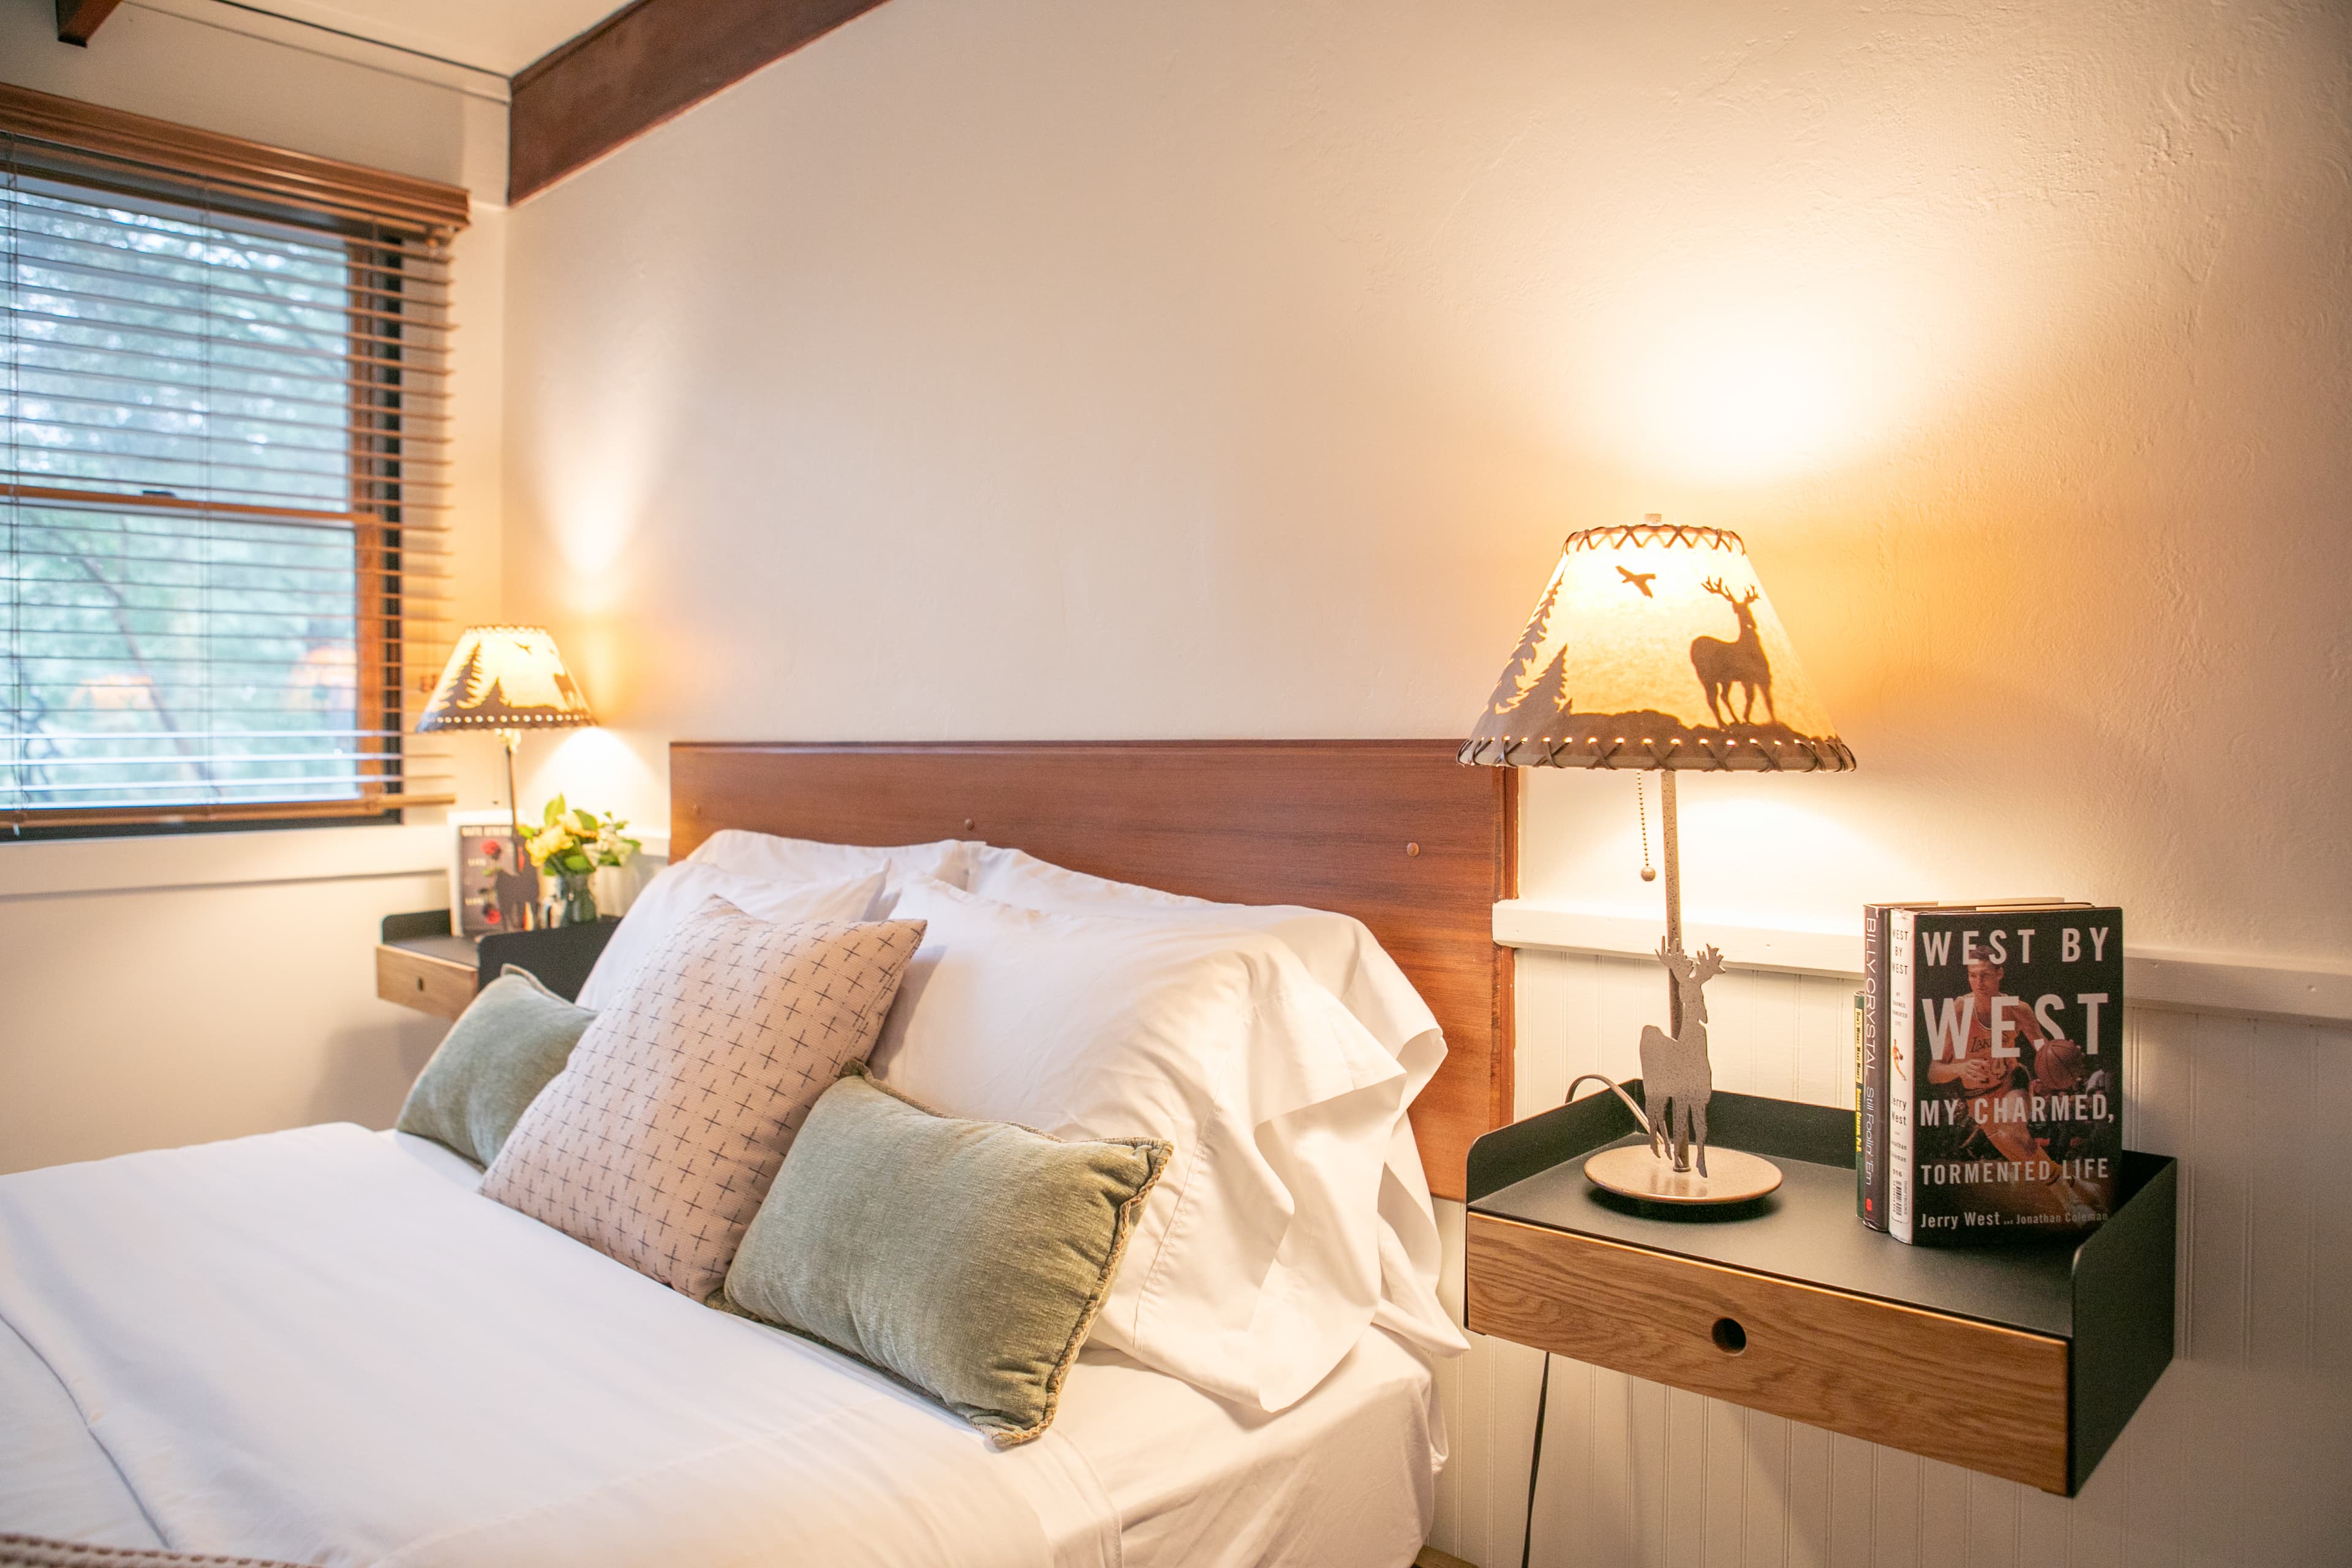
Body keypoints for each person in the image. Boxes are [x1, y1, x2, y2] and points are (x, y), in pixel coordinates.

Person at [1925, 954, 2097, 1221]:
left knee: (2012, 1128)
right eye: (1973, 975)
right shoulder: (1959, 1010)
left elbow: (2044, 1052)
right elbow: (1934, 1072)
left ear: (2000, 974)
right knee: (2020, 1151)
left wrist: (2060, 1070)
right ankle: (2074, 1184)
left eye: (1985, 974)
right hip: (1977, 1098)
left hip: (2012, 1081)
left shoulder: (2018, 1009)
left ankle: (2071, 1203)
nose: (1978, 982)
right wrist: (1959, 1069)